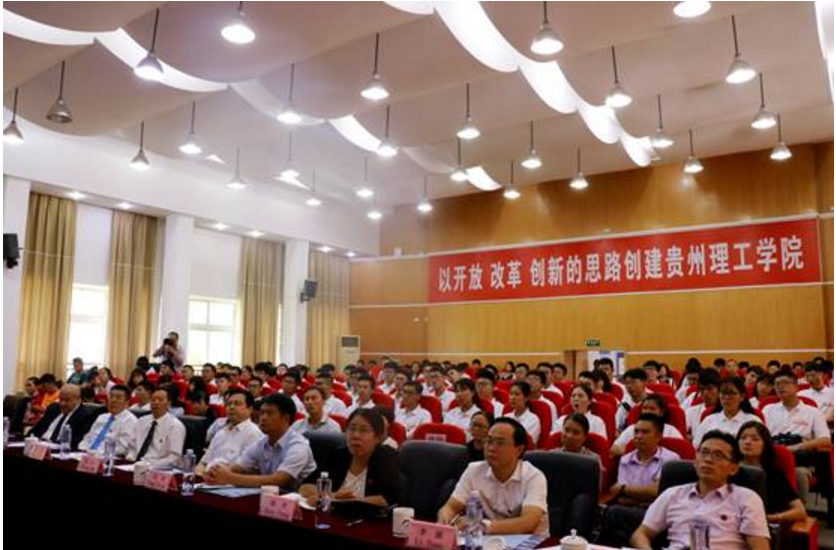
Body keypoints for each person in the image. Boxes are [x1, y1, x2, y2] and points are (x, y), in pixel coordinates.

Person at [629, 430, 770, 550]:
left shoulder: (747, 498)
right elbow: (641, 534)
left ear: (733, 468)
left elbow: (760, 548)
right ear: (695, 461)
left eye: (718, 455)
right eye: (704, 452)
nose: (708, 459)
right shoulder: (673, 494)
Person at [437, 418, 549, 536]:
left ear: (519, 449)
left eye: (500, 443)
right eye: (489, 441)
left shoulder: (534, 476)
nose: (491, 448)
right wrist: (446, 519)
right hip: (487, 540)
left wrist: (482, 525)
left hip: (528, 541)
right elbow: (450, 507)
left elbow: (529, 522)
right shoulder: (473, 470)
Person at [204, 393, 316, 489]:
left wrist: (229, 478)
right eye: (262, 412)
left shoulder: (298, 445)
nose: (263, 418)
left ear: (286, 418)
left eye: (269, 413)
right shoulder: (261, 443)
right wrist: (215, 474)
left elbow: (277, 481)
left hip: (299, 500)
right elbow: (237, 467)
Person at [601, 415, 679, 547]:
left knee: (614, 514)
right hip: (631, 511)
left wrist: (625, 489)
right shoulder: (626, 459)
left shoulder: (671, 460)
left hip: (659, 515)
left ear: (659, 436)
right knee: (617, 524)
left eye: (645, 432)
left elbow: (657, 494)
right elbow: (622, 498)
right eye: (636, 431)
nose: (638, 436)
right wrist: (644, 497)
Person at [300, 408, 400, 507]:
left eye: (364, 430)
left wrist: (343, 501)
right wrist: (332, 495)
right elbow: (304, 487)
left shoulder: (387, 458)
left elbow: (387, 500)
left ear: (377, 437)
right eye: (352, 429)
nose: (356, 435)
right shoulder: (338, 455)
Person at [737, 421, 807, 524]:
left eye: (755, 439)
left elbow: (800, 511)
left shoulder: (773, 473)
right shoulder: (728, 468)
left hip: (761, 524)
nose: (747, 442)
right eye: (743, 438)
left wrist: (772, 518)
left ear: (765, 445)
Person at [196, 388, 262, 476]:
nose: (231, 407)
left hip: (231, 482)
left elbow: (249, 471)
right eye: (229, 404)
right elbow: (203, 463)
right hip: (208, 479)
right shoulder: (221, 432)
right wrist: (200, 475)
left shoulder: (253, 433)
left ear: (250, 409)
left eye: (237, 404)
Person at [693, 377, 762, 448]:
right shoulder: (709, 420)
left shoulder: (753, 421)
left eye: (732, 393)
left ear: (742, 396)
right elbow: (696, 446)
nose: (727, 397)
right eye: (723, 393)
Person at [611, 394, 685, 457]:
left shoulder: (671, 430)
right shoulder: (632, 428)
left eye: (652, 409)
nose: (647, 412)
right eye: (645, 408)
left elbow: (683, 451)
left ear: (661, 412)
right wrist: (631, 449)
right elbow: (613, 449)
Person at [29, 384, 96, 450]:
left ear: (78, 400)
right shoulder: (53, 408)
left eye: (67, 400)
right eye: (61, 399)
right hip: (39, 447)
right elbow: (35, 430)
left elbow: (76, 442)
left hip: (60, 451)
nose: (62, 403)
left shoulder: (86, 415)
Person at [79, 384, 137, 457]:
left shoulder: (130, 420)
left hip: (107, 457)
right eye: (111, 396)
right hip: (86, 454)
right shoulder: (102, 417)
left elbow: (122, 448)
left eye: (118, 397)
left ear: (127, 402)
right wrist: (82, 450)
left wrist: (97, 454)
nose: (113, 400)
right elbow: (88, 437)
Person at [685, 369, 721, 437]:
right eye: (702, 389)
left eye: (710, 388)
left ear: (719, 389)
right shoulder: (691, 412)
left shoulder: (726, 413)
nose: (705, 393)